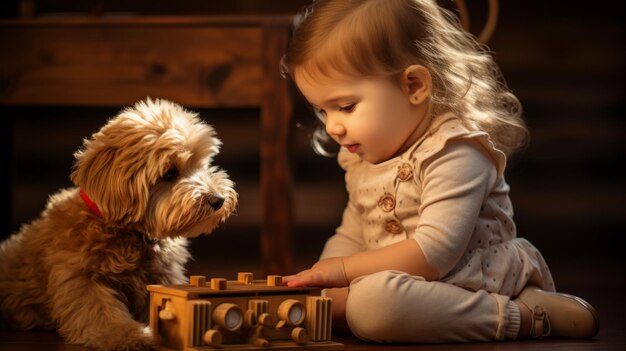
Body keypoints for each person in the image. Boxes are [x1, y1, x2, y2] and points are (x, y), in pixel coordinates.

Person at [280, 0, 599, 343]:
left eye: (345, 107)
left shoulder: (456, 152)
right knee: (341, 303)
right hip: (403, 282)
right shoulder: (362, 158)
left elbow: (435, 252)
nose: (333, 127)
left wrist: (343, 272)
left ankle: (525, 315)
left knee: (375, 305)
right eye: (322, 112)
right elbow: (353, 231)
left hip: (468, 280)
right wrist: (323, 279)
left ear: (413, 86)